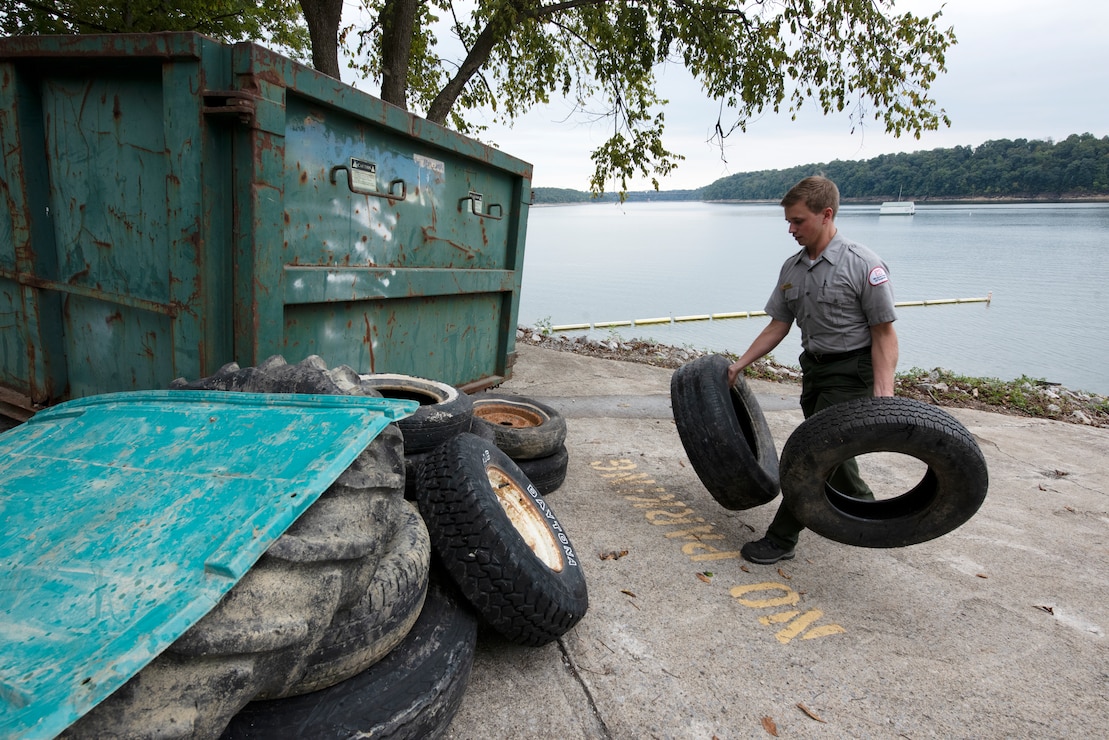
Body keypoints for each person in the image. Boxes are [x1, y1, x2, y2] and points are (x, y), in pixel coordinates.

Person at [726, 175, 899, 564]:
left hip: (852, 373)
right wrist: (740, 364)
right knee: (835, 456)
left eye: (798, 221)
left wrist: (884, 396)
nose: (790, 229)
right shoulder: (793, 269)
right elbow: (779, 324)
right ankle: (868, 512)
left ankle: (781, 539)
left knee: (812, 455)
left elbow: (884, 334)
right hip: (814, 371)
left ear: (826, 215)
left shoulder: (863, 264)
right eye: (788, 221)